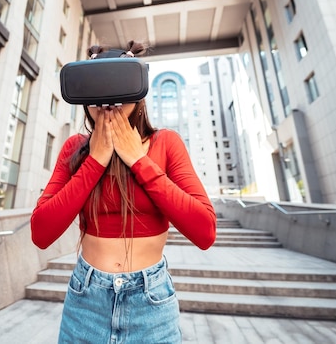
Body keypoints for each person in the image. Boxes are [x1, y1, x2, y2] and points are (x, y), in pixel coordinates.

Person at [31, 40, 216, 344]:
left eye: (116, 90)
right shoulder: (74, 149)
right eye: (95, 95)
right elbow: (41, 231)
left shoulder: (165, 143)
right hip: (86, 300)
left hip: (150, 303)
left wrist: (139, 161)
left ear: (136, 92)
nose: (106, 104)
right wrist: (95, 161)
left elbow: (205, 231)